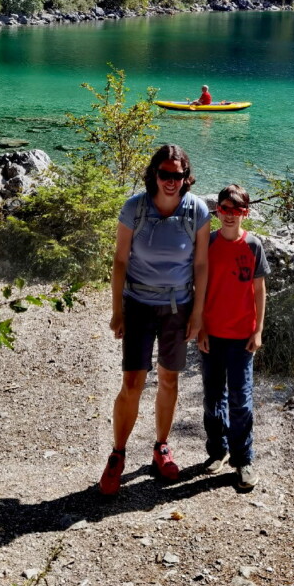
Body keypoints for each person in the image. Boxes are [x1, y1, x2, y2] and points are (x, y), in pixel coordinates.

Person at [98, 144, 210, 496]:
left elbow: (201, 265)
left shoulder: (197, 211)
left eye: (177, 175)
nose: (171, 181)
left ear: (186, 177)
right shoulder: (135, 208)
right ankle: (117, 455)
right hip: (139, 302)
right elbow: (119, 260)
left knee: (169, 380)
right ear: (154, 174)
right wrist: (117, 310)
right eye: (165, 174)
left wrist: (198, 313)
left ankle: (161, 447)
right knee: (132, 381)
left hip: (178, 306)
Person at [197, 184, 269, 491]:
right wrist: (199, 326)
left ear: (245, 214)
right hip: (211, 333)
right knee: (213, 399)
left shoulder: (253, 246)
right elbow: (198, 288)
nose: (229, 215)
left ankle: (244, 460)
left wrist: (258, 329)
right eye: (224, 209)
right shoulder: (209, 243)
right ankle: (218, 450)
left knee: (241, 400)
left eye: (236, 210)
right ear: (218, 211)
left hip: (242, 336)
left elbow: (259, 290)